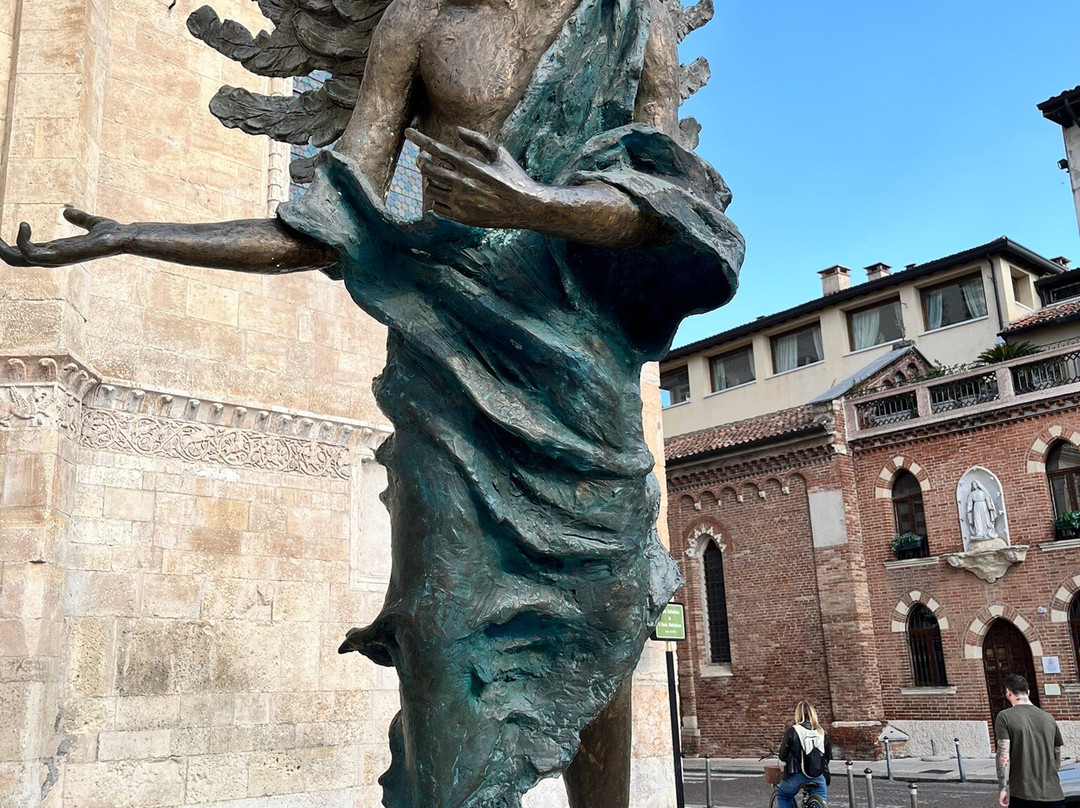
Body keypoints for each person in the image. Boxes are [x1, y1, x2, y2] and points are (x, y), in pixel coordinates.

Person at [0, 0, 744, 806]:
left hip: (581, 387)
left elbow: (675, 207)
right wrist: (134, 236)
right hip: (445, 379)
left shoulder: (633, 20)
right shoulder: (416, 23)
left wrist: (536, 207)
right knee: (438, 631)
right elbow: (329, 225)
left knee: (602, 630)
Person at [996, 674, 1064, 808]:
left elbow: (1003, 756)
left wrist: (1003, 788)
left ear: (1008, 692)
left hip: (1023, 795)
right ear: (1028, 692)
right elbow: (1057, 755)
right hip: (1054, 795)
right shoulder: (1049, 718)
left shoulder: (1004, 717)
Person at [776, 701, 831, 808]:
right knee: (820, 800)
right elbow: (827, 757)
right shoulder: (821, 732)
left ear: (798, 714)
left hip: (796, 775)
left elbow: (783, 755)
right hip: (818, 775)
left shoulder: (792, 731)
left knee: (783, 795)